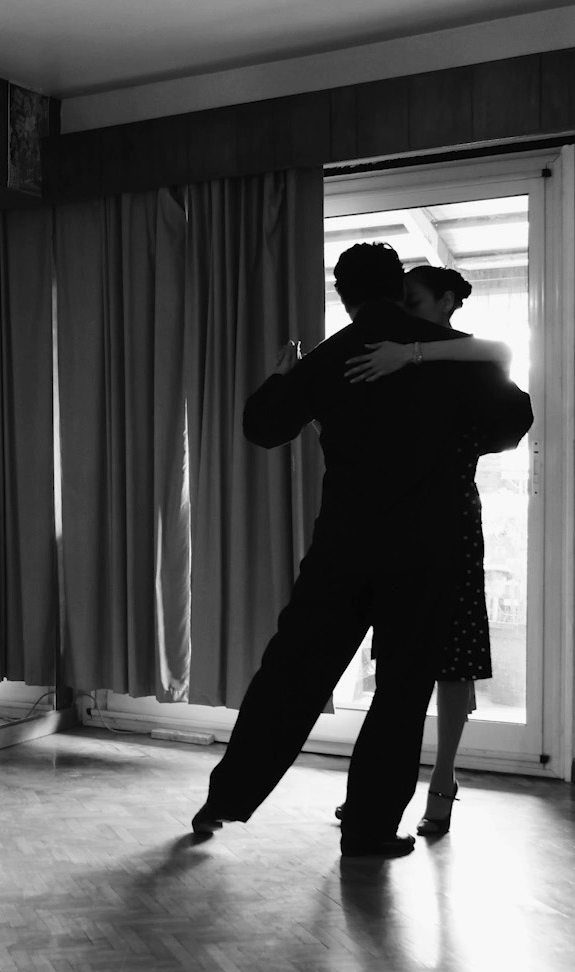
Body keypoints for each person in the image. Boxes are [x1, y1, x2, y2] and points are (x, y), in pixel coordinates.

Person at [190, 243, 532, 857]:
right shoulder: (442, 353)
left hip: (343, 545)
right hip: (425, 549)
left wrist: (282, 373)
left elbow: (262, 427)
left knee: (290, 673)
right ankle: (370, 829)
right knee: (401, 690)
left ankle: (225, 799)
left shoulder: (331, 358)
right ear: (399, 287)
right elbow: (514, 421)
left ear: (344, 295)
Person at [340, 265, 510, 836]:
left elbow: (500, 354)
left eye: (414, 301)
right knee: (398, 657)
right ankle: (383, 786)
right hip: (398, 521)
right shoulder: (391, 350)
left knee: (454, 651)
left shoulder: (460, 354)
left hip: (453, 517)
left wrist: (411, 354)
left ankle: (443, 777)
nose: (405, 311)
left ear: (445, 303)